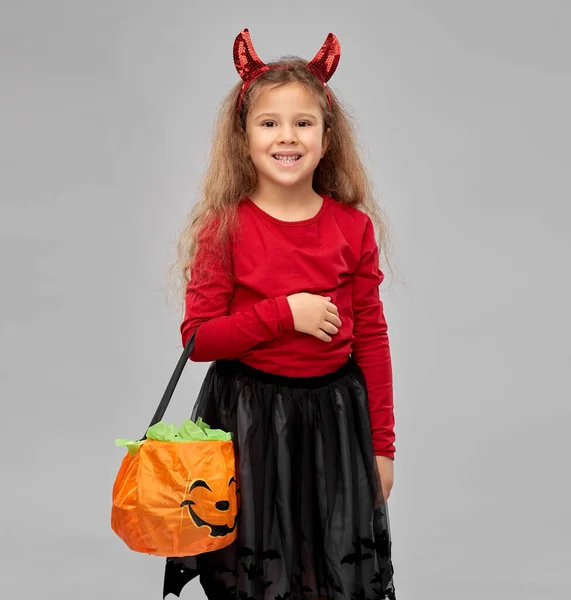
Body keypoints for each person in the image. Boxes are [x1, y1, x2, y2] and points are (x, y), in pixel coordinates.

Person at [163, 28, 397, 600]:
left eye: (302, 122)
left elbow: (370, 336)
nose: (286, 136)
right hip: (248, 420)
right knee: (254, 570)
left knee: (326, 567)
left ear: (326, 136)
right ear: (243, 139)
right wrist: (283, 314)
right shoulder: (226, 229)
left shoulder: (352, 227)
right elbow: (200, 340)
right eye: (269, 123)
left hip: (334, 421)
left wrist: (382, 445)